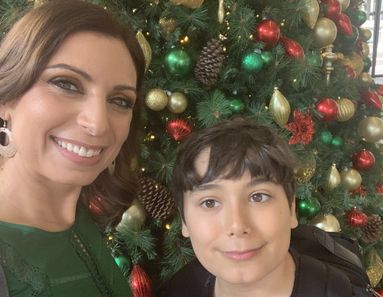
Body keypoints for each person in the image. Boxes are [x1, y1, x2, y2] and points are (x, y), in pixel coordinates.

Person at [0, 0, 145, 296]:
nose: (98, 124)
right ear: (6, 98)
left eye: (120, 101)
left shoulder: (80, 217)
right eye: (66, 84)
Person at [164, 118, 299, 297]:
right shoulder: (175, 291)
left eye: (258, 197)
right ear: (184, 221)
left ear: (291, 208)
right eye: (209, 202)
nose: (237, 226)